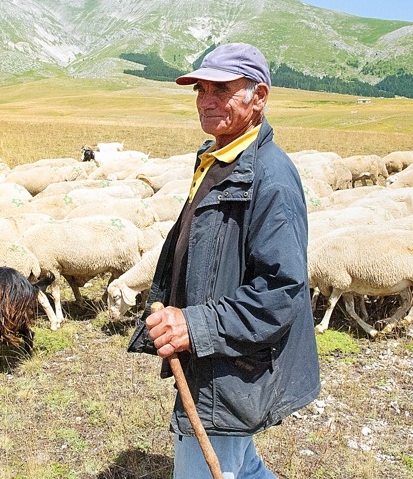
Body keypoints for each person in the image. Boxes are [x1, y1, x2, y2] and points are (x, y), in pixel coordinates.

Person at [128, 42, 321, 478]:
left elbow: (282, 290)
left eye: (221, 89)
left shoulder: (270, 178)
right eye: (200, 89)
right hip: (216, 357)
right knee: (243, 465)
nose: (206, 100)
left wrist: (193, 326)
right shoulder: (218, 159)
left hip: (231, 364)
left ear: (260, 97)